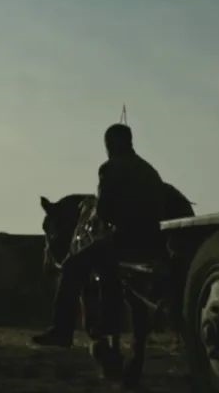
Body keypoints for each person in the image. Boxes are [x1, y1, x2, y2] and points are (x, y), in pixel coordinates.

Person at [32, 123, 192, 347]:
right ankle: (109, 322)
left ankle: (62, 330)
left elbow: (104, 211)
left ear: (110, 144)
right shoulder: (149, 170)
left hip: (127, 240)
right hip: (156, 242)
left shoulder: (110, 168)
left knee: (73, 266)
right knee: (105, 261)